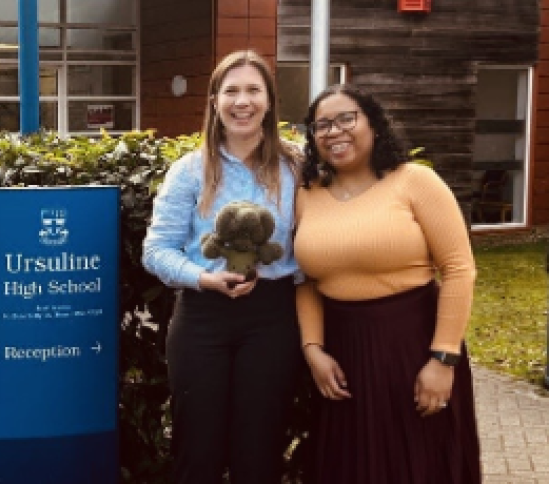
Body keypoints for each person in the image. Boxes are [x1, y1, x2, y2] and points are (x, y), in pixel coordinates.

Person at [294, 84, 480, 482]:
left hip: (412, 347)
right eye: (321, 125)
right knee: (350, 466)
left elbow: (460, 268)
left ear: (374, 125)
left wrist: (443, 359)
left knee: (417, 463)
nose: (334, 131)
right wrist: (313, 349)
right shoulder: (306, 196)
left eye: (347, 118)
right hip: (341, 358)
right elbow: (306, 279)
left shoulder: (414, 182)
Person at [142, 50, 302, 484]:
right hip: (202, 317)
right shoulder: (189, 171)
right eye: (231, 91)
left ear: (269, 101)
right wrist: (204, 278)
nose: (242, 101)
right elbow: (156, 250)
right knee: (198, 451)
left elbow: (313, 243)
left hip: (272, 317)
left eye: (253, 90)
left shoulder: (297, 168)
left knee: (261, 450)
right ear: (215, 101)